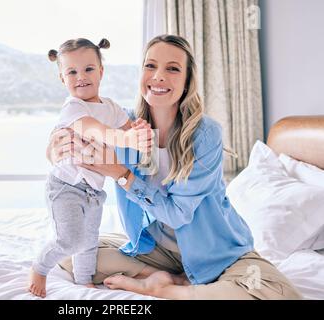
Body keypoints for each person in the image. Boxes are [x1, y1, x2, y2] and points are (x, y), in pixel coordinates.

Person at [47, 34, 303, 300]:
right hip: (156, 249)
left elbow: (177, 215)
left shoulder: (205, 134)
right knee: (71, 254)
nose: (158, 76)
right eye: (150, 66)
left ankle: (170, 289)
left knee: (281, 295)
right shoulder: (123, 125)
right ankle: (154, 276)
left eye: (172, 68)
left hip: (217, 253)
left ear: (186, 81)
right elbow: (74, 126)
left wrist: (121, 175)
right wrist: (53, 148)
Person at [29, 37, 153, 298]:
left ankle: (84, 280)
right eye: (71, 72)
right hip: (66, 187)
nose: (80, 77)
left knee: (88, 241)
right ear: (63, 79)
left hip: (94, 191)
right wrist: (125, 138)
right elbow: (97, 130)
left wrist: (137, 132)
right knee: (70, 240)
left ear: (101, 71)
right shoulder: (74, 108)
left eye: (88, 69)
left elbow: (126, 128)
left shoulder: (110, 107)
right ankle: (40, 268)